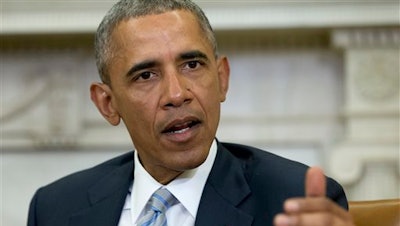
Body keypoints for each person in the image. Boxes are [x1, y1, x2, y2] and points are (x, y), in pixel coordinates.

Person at [27, 0, 355, 226]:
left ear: (222, 79)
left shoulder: (294, 202)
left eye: (192, 64)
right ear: (108, 104)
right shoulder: (56, 208)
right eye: (145, 75)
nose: (176, 94)